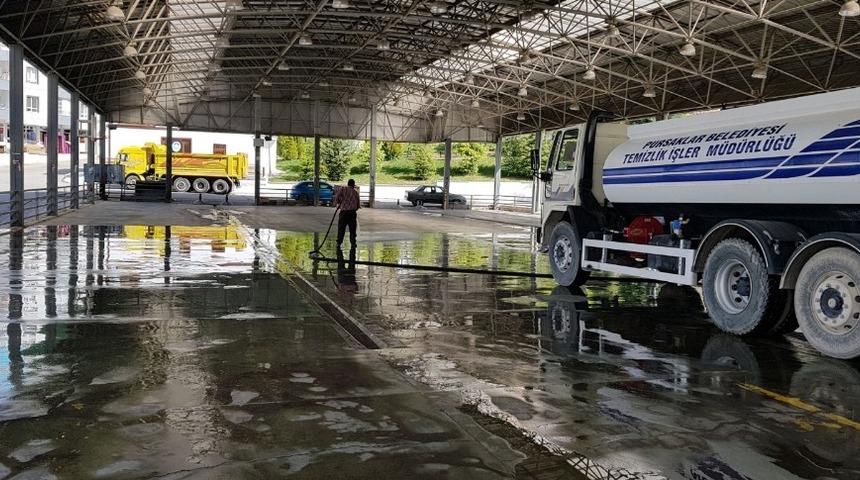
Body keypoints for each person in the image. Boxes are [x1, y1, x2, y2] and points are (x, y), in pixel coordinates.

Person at [334, 179, 360, 251]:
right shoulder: (355, 192)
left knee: (341, 228)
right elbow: (358, 205)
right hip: (352, 213)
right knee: (352, 229)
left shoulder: (343, 189)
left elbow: (336, 198)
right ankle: (353, 243)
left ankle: (339, 242)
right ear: (353, 185)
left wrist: (339, 203)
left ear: (348, 184)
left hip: (344, 213)